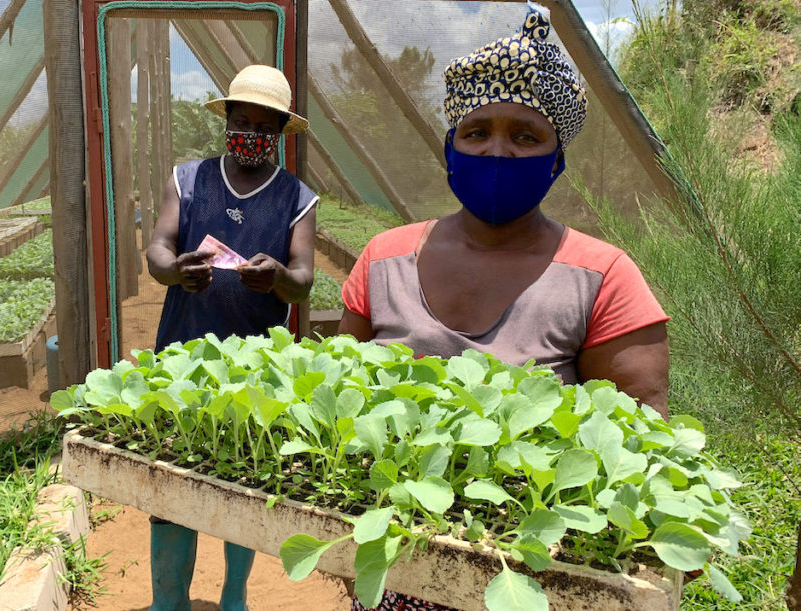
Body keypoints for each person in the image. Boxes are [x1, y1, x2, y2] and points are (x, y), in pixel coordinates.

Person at [338, 7, 670, 610]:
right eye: (477, 132)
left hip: (532, 576)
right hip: (394, 567)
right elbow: (340, 402)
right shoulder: (383, 259)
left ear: (557, 158)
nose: (497, 152)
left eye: (525, 136)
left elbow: (638, 443)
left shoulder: (603, 276)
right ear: (450, 147)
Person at [144, 64, 318, 611]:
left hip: (254, 366)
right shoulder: (188, 179)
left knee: (244, 479)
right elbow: (157, 248)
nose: (250, 133)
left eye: (263, 127)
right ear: (227, 123)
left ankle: (234, 596)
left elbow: (304, 280)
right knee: (170, 478)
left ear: (279, 135)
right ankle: (169, 600)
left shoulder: (297, 197)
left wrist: (279, 279)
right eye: (241, 121)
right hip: (182, 353)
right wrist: (176, 271)